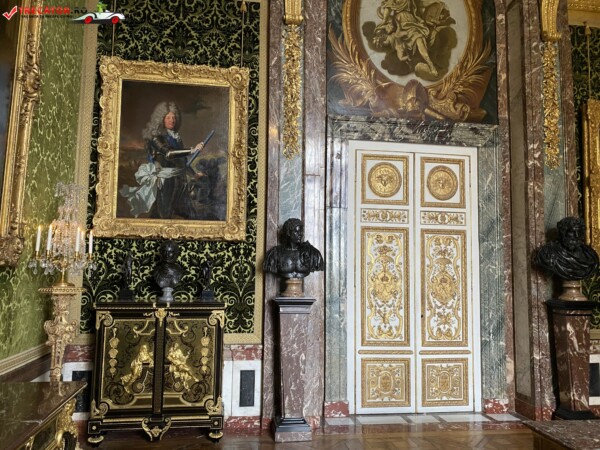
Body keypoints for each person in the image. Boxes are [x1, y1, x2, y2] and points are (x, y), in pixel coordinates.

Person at [143, 102, 206, 219]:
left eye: (174, 117)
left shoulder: (176, 138)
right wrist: (192, 150)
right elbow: (169, 153)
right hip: (166, 182)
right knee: (163, 215)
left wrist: (193, 174)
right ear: (161, 119)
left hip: (180, 182)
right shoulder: (156, 137)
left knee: (190, 215)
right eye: (168, 117)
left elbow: (182, 161)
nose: (172, 120)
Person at [534, 216, 599, 280]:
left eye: (579, 231)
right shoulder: (548, 252)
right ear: (563, 233)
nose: (576, 235)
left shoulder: (589, 254)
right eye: (572, 232)